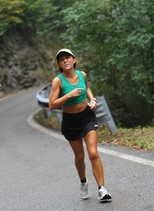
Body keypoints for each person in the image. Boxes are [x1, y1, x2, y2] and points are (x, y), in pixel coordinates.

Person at [49, 48, 112, 202]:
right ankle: (83, 182)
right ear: (59, 65)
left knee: (93, 153)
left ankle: (102, 189)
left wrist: (92, 99)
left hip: (87, 117)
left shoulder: (82, 74)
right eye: (62, 59)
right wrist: (68, 95)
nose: (65, 61)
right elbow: (52, 104)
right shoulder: (58, 81)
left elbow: (87, 87)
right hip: (70, 121)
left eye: (67, 57)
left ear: (74, 59)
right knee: (79, 156)